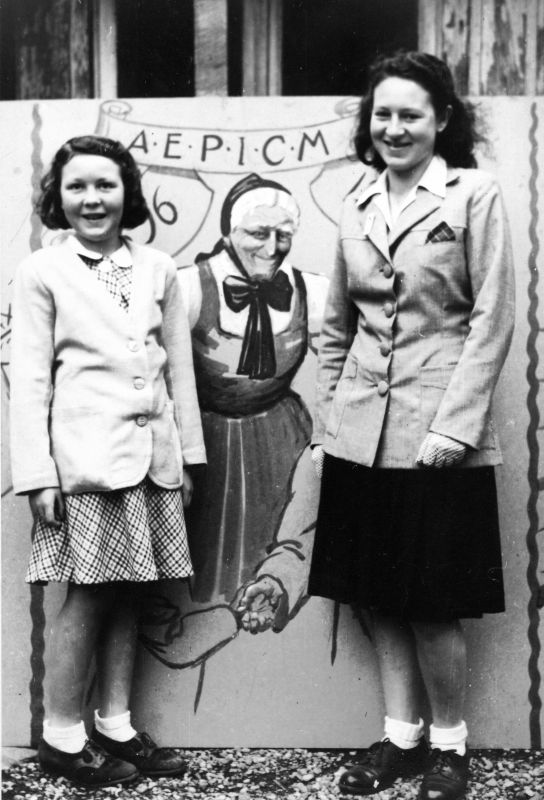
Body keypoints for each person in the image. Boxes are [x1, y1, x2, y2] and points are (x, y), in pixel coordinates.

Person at [308, 52, 515, 800]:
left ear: (442, 120)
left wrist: (454, 428)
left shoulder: (473, 195)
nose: (393, 128)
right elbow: (335, 328)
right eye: (382, 114)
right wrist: (338, 413)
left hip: (437, 440)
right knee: (376, 595)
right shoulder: (356, 201)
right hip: (360, 435)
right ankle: (400, 739)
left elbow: (493, 318)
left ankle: (450, 748)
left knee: (430, 601)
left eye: (410, 114)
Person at [9, 135, 206, 788]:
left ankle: (115, 723)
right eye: (77, 187)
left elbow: (179, 370)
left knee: (131, 591)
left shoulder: (157, 270)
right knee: (90, 596)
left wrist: (190, 461)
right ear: (58, 201)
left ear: (128, 193)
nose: (92, 199)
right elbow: (31, 379)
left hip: (152, 462)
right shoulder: (43, 272)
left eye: (106, 185)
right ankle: (62, 736)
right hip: (86, 467)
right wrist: (38, 474)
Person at [176, 173, 327, 633]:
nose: (273, 246)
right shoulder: (189, 287)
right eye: (258, 233)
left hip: (283, 441)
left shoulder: (311, 289)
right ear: (228, 233)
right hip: (210, 449)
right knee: (207, 588)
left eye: (284, 234)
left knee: (286, 550)